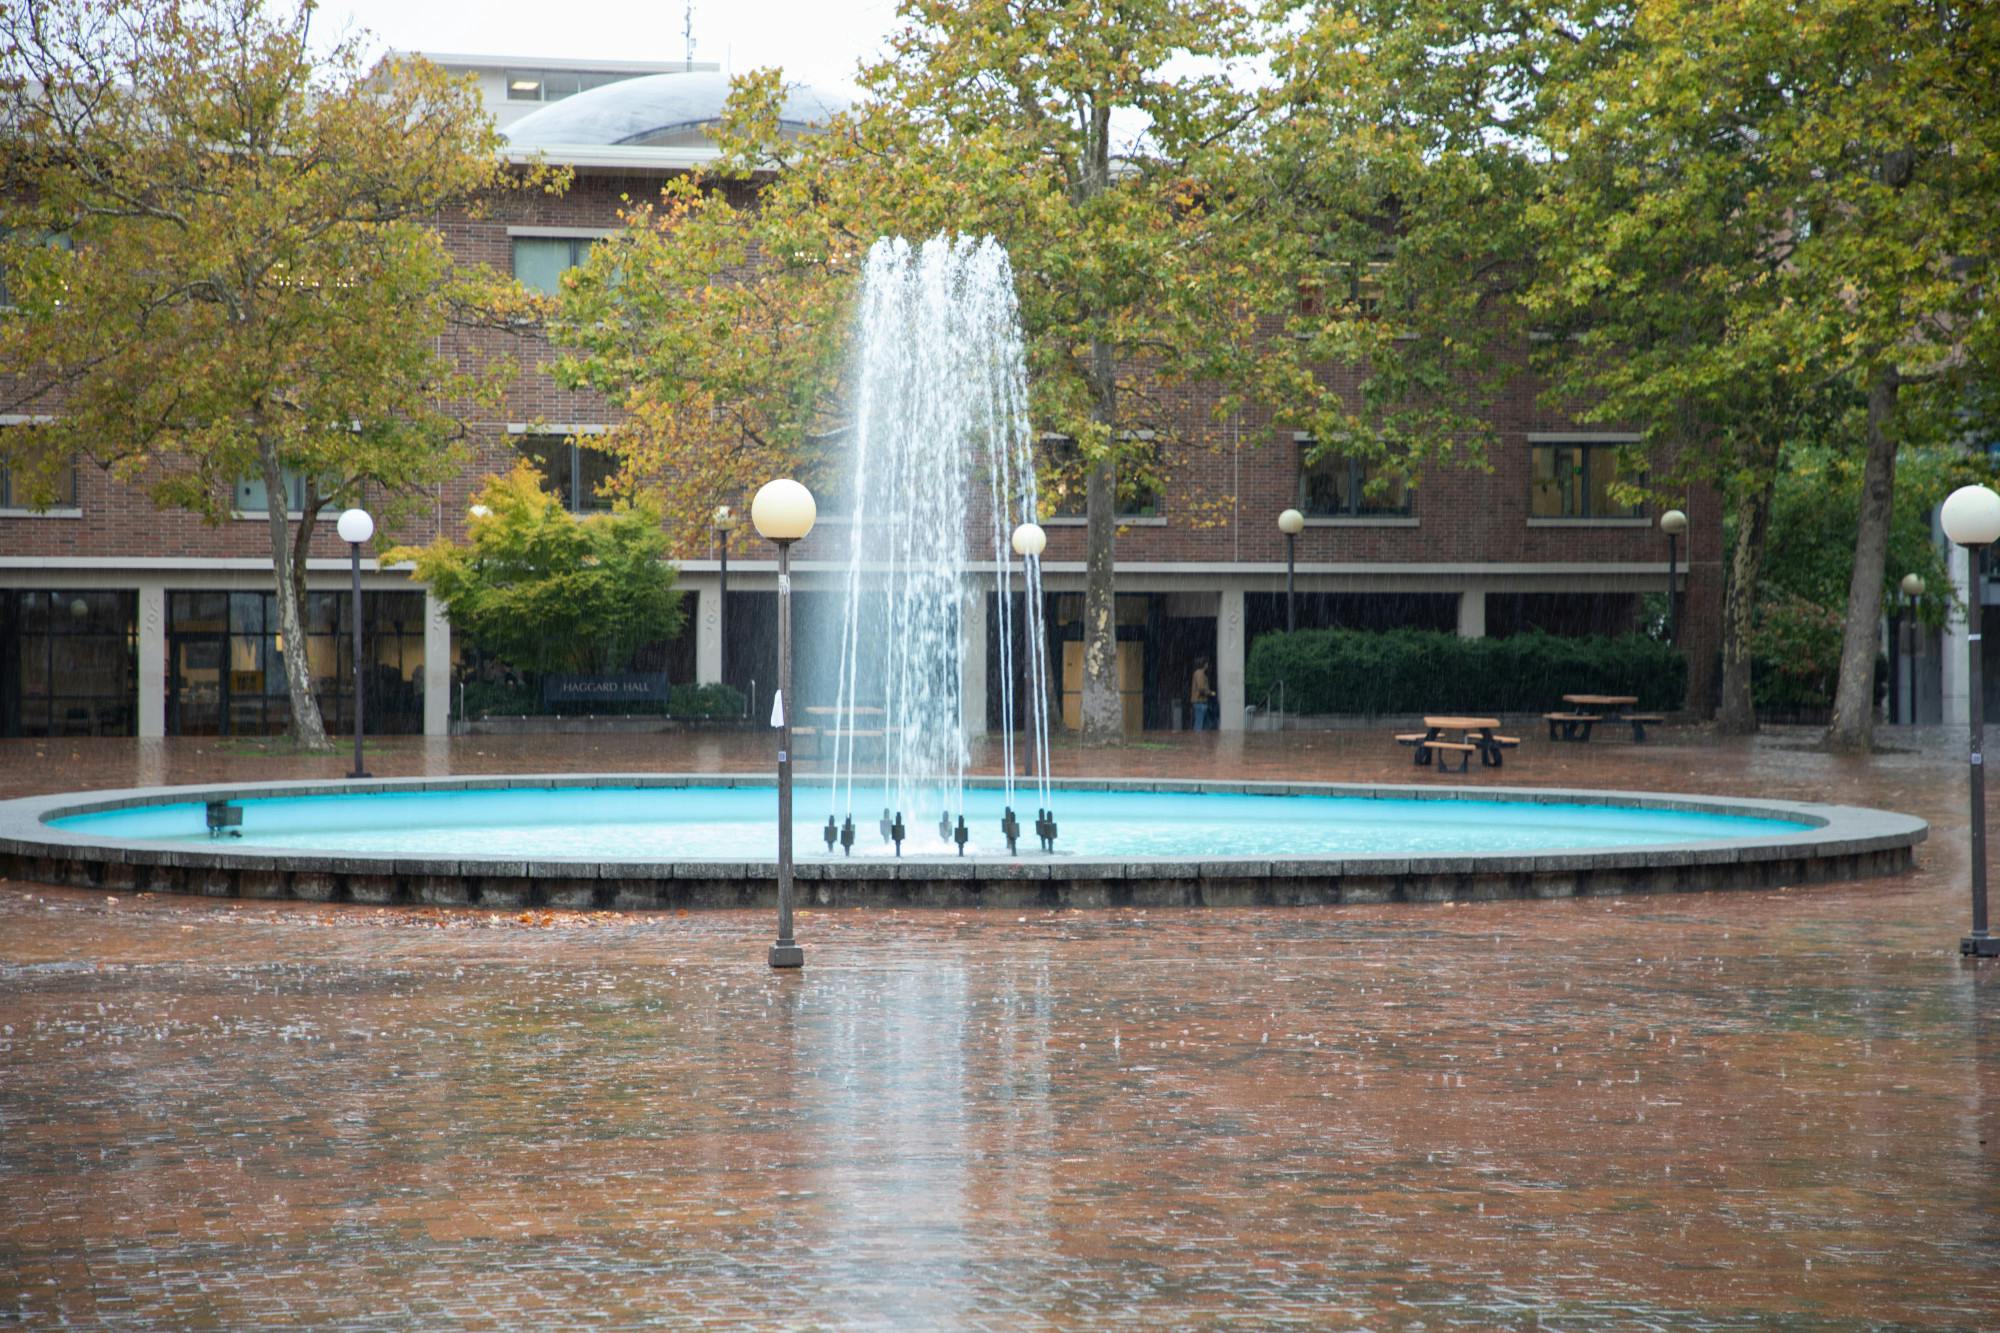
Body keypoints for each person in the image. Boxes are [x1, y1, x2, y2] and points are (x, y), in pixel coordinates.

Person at [1191, 657, 1214, 731]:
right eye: (1207, 663)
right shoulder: (1199, 673)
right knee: (1199, 723)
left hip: (1202, 702)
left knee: (1206, 723)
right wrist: (1211, 693)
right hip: (1200, 702)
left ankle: (1202, 740)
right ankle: (1198, 740)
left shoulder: (1200, 674)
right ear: (1204, 664)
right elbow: (1201, 688)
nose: (1208, 665)